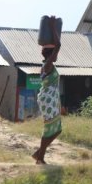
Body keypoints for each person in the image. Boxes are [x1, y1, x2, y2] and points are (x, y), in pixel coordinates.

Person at [32, 16, 62, 165]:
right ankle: (40, 158)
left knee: (57, 129)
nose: (57, 55)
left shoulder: (47, 65)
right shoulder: (48, 65)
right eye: (54, 53)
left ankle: (39, 153)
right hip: (48, 99)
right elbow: (59, 45)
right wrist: (52, 27)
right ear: (51, 54)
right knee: (50, 129)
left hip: (48, 99)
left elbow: (56, 47)